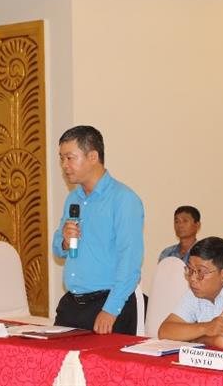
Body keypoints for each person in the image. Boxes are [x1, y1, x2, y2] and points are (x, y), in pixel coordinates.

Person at [52, 125, 144, 335]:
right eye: (62, 158)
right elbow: (58, 250)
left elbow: (130, 261)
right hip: (72, 305)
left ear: (93, 156)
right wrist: (64, 241)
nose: (64, 165)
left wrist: (111, 309)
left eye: (70, 158)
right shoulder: (73, 198)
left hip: (108, 306)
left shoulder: (123, 200)